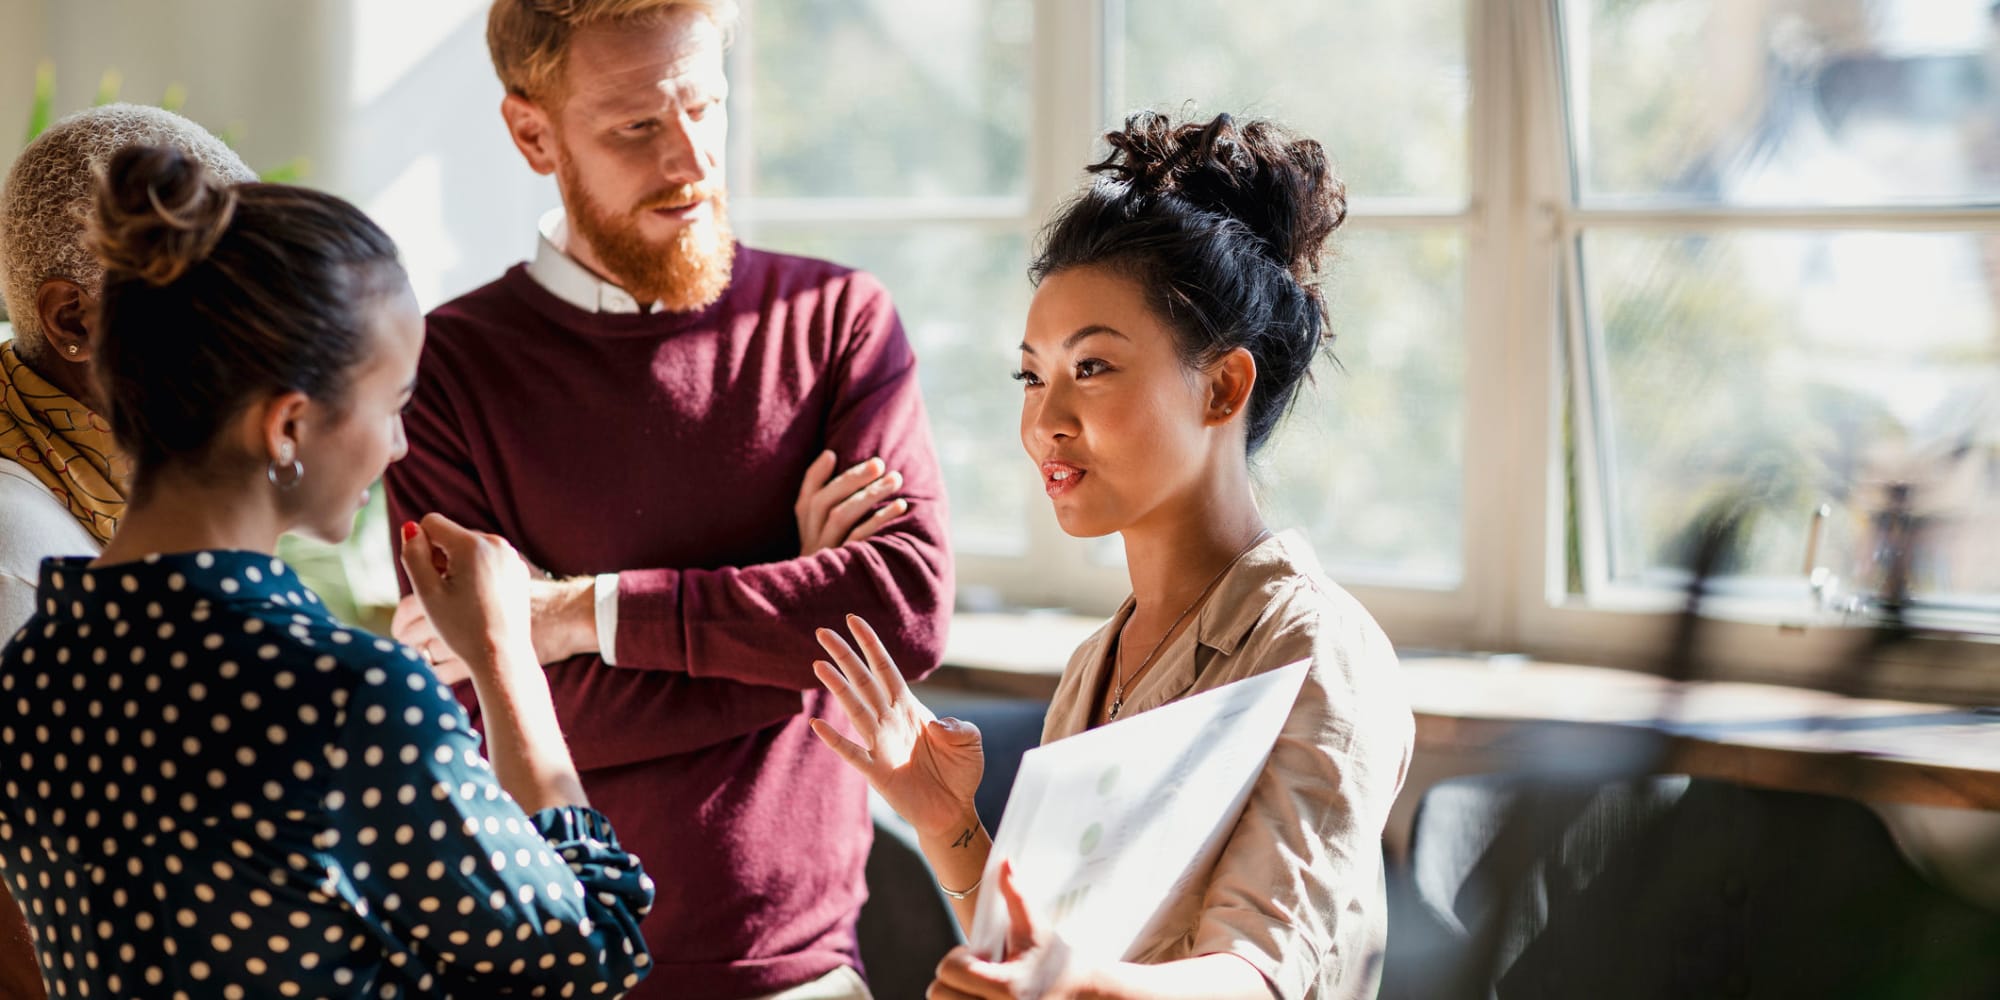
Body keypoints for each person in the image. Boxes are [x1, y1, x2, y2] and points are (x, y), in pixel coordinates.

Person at [384, 2, 953, 997]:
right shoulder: (442, 373)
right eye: (636, 127)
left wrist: (565, 614)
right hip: (552, 977)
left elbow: (897, 611)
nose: (690, 159)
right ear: (532, 133)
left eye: (704, 105)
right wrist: (791, 608)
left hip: (805, 978)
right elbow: (486, 711)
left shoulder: (832, 323)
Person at [0, 145, 656, 998]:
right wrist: (505, 659)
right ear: (288, 427)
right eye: (393, 405)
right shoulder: (343, 699)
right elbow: (591, 948)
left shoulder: (32, 674)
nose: (400, 445)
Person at [810, 112, 1415, 1000]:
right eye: (1031, 374)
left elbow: (1256, 978)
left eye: (1091, 368)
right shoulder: (1099, 662)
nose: (1045, 419)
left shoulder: (1315, 651)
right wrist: (949, 827)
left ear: (1222, 386)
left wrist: (1067, 985)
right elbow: (1045, 952)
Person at [0, 104, 255, 635]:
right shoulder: (18, 556)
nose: (251, 340)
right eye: (211, 301)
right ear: (74, 321)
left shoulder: (135, 486)